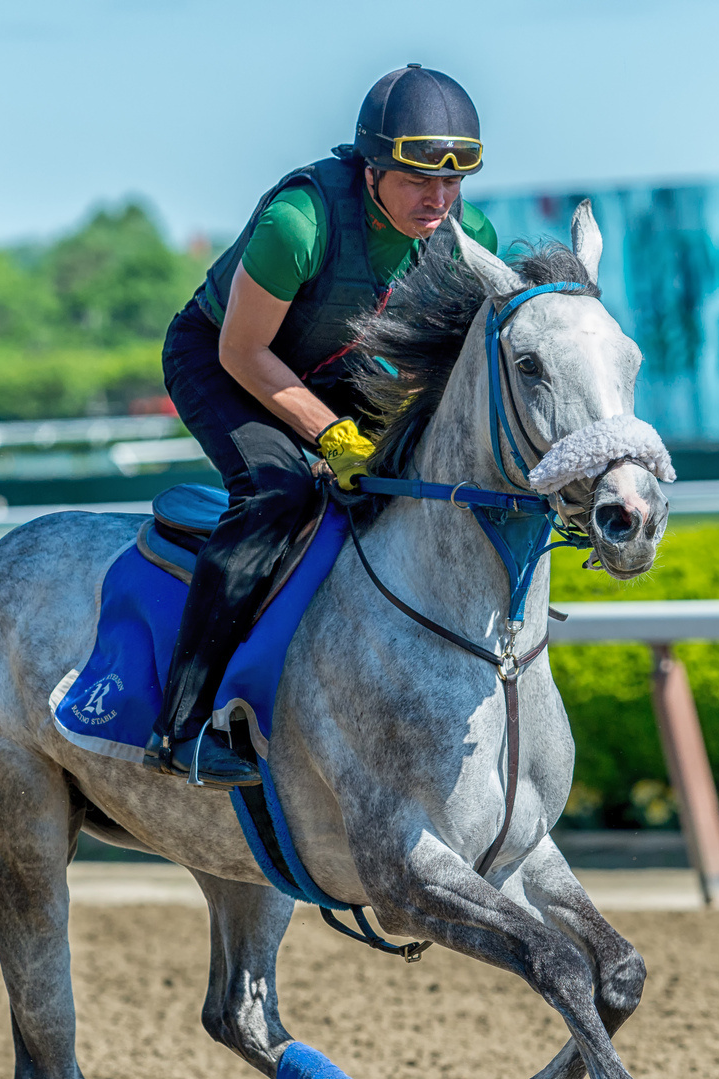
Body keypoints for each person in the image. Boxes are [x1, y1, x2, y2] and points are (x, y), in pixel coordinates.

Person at [150, 64, 499, 786]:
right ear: (370, 172)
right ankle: (181, 726)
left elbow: (424, 374)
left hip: (341, 374)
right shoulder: (297, 222)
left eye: (452, 182)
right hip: (224, 360)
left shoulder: (468, 235)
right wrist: (332, 438)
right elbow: (242, 351)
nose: (439, 200)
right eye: (417, 181)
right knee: (277, 494)